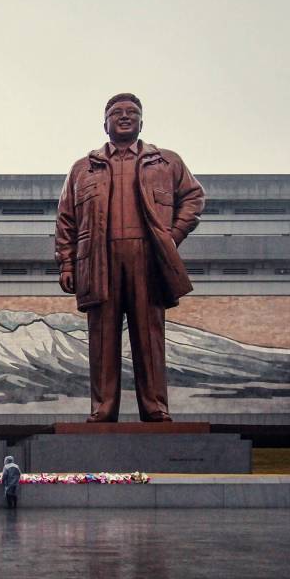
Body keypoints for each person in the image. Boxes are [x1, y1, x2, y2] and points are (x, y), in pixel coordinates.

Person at [55, 93, 204, 423]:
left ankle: (154, 407)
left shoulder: (166, 162)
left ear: (142, 122)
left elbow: (193, 197)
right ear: (104, 123)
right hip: (98, 258)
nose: (125, 117)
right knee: (102, 337)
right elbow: (66, 218)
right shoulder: (82, 168)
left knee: (149, 335)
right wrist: (66, 262)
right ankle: (103, 407)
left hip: (147, 258)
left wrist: (172, 237)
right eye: (117, 113)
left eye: (132, 112)